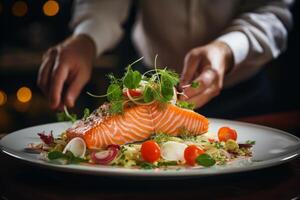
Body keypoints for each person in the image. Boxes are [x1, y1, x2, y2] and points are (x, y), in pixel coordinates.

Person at [37, 0, 293, 117]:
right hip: (150, 90)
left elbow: (272, 13)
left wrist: (226, 50)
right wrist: (86, 38)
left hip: (243, 95)